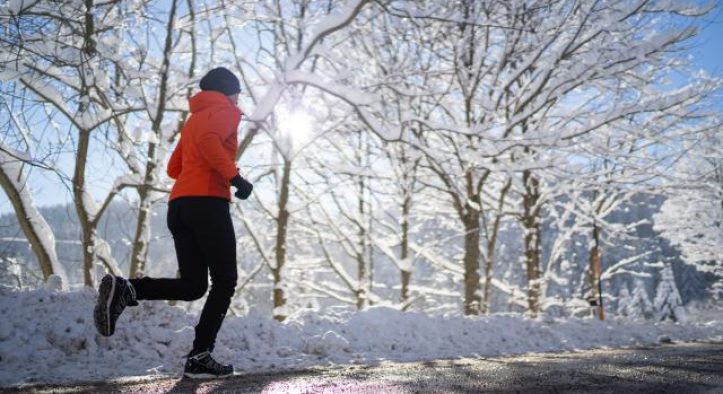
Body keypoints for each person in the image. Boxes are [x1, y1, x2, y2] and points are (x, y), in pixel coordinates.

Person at [93, 67, 253, 379]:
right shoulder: (227, 112)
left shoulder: (194, 119)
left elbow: (173, 167)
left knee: (194, 286)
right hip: (207, 203)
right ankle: (200, 355)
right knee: (225, 280)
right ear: (227, 90)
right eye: (237, 91)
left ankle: (128, 289)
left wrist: (207, 171)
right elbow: (209, 144)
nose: (238, 98)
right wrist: (235, 177)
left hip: (180, 205)